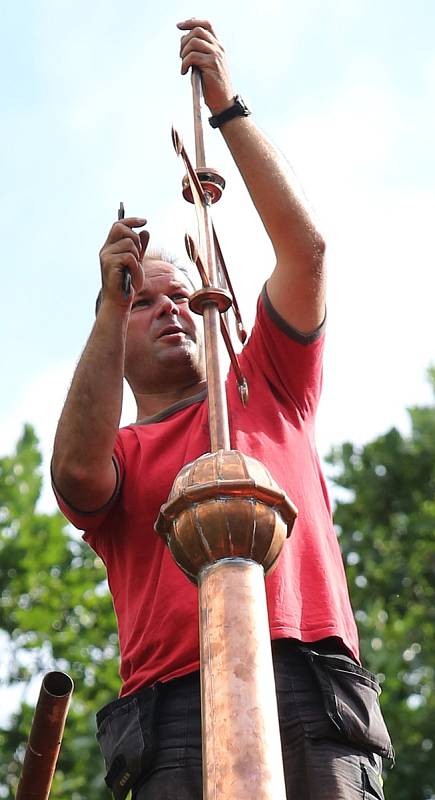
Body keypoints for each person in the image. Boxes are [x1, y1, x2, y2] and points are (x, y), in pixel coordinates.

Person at [51, 18, 393, 800]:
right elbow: (74, 471)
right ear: (113, 331)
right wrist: (110, 302)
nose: (171, 311)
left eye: (183, 298)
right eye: (146, 304)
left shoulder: (265, 381)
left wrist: (227, 109)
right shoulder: (121, 456)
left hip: (308, 679)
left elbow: (304, 251)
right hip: (172, 706)